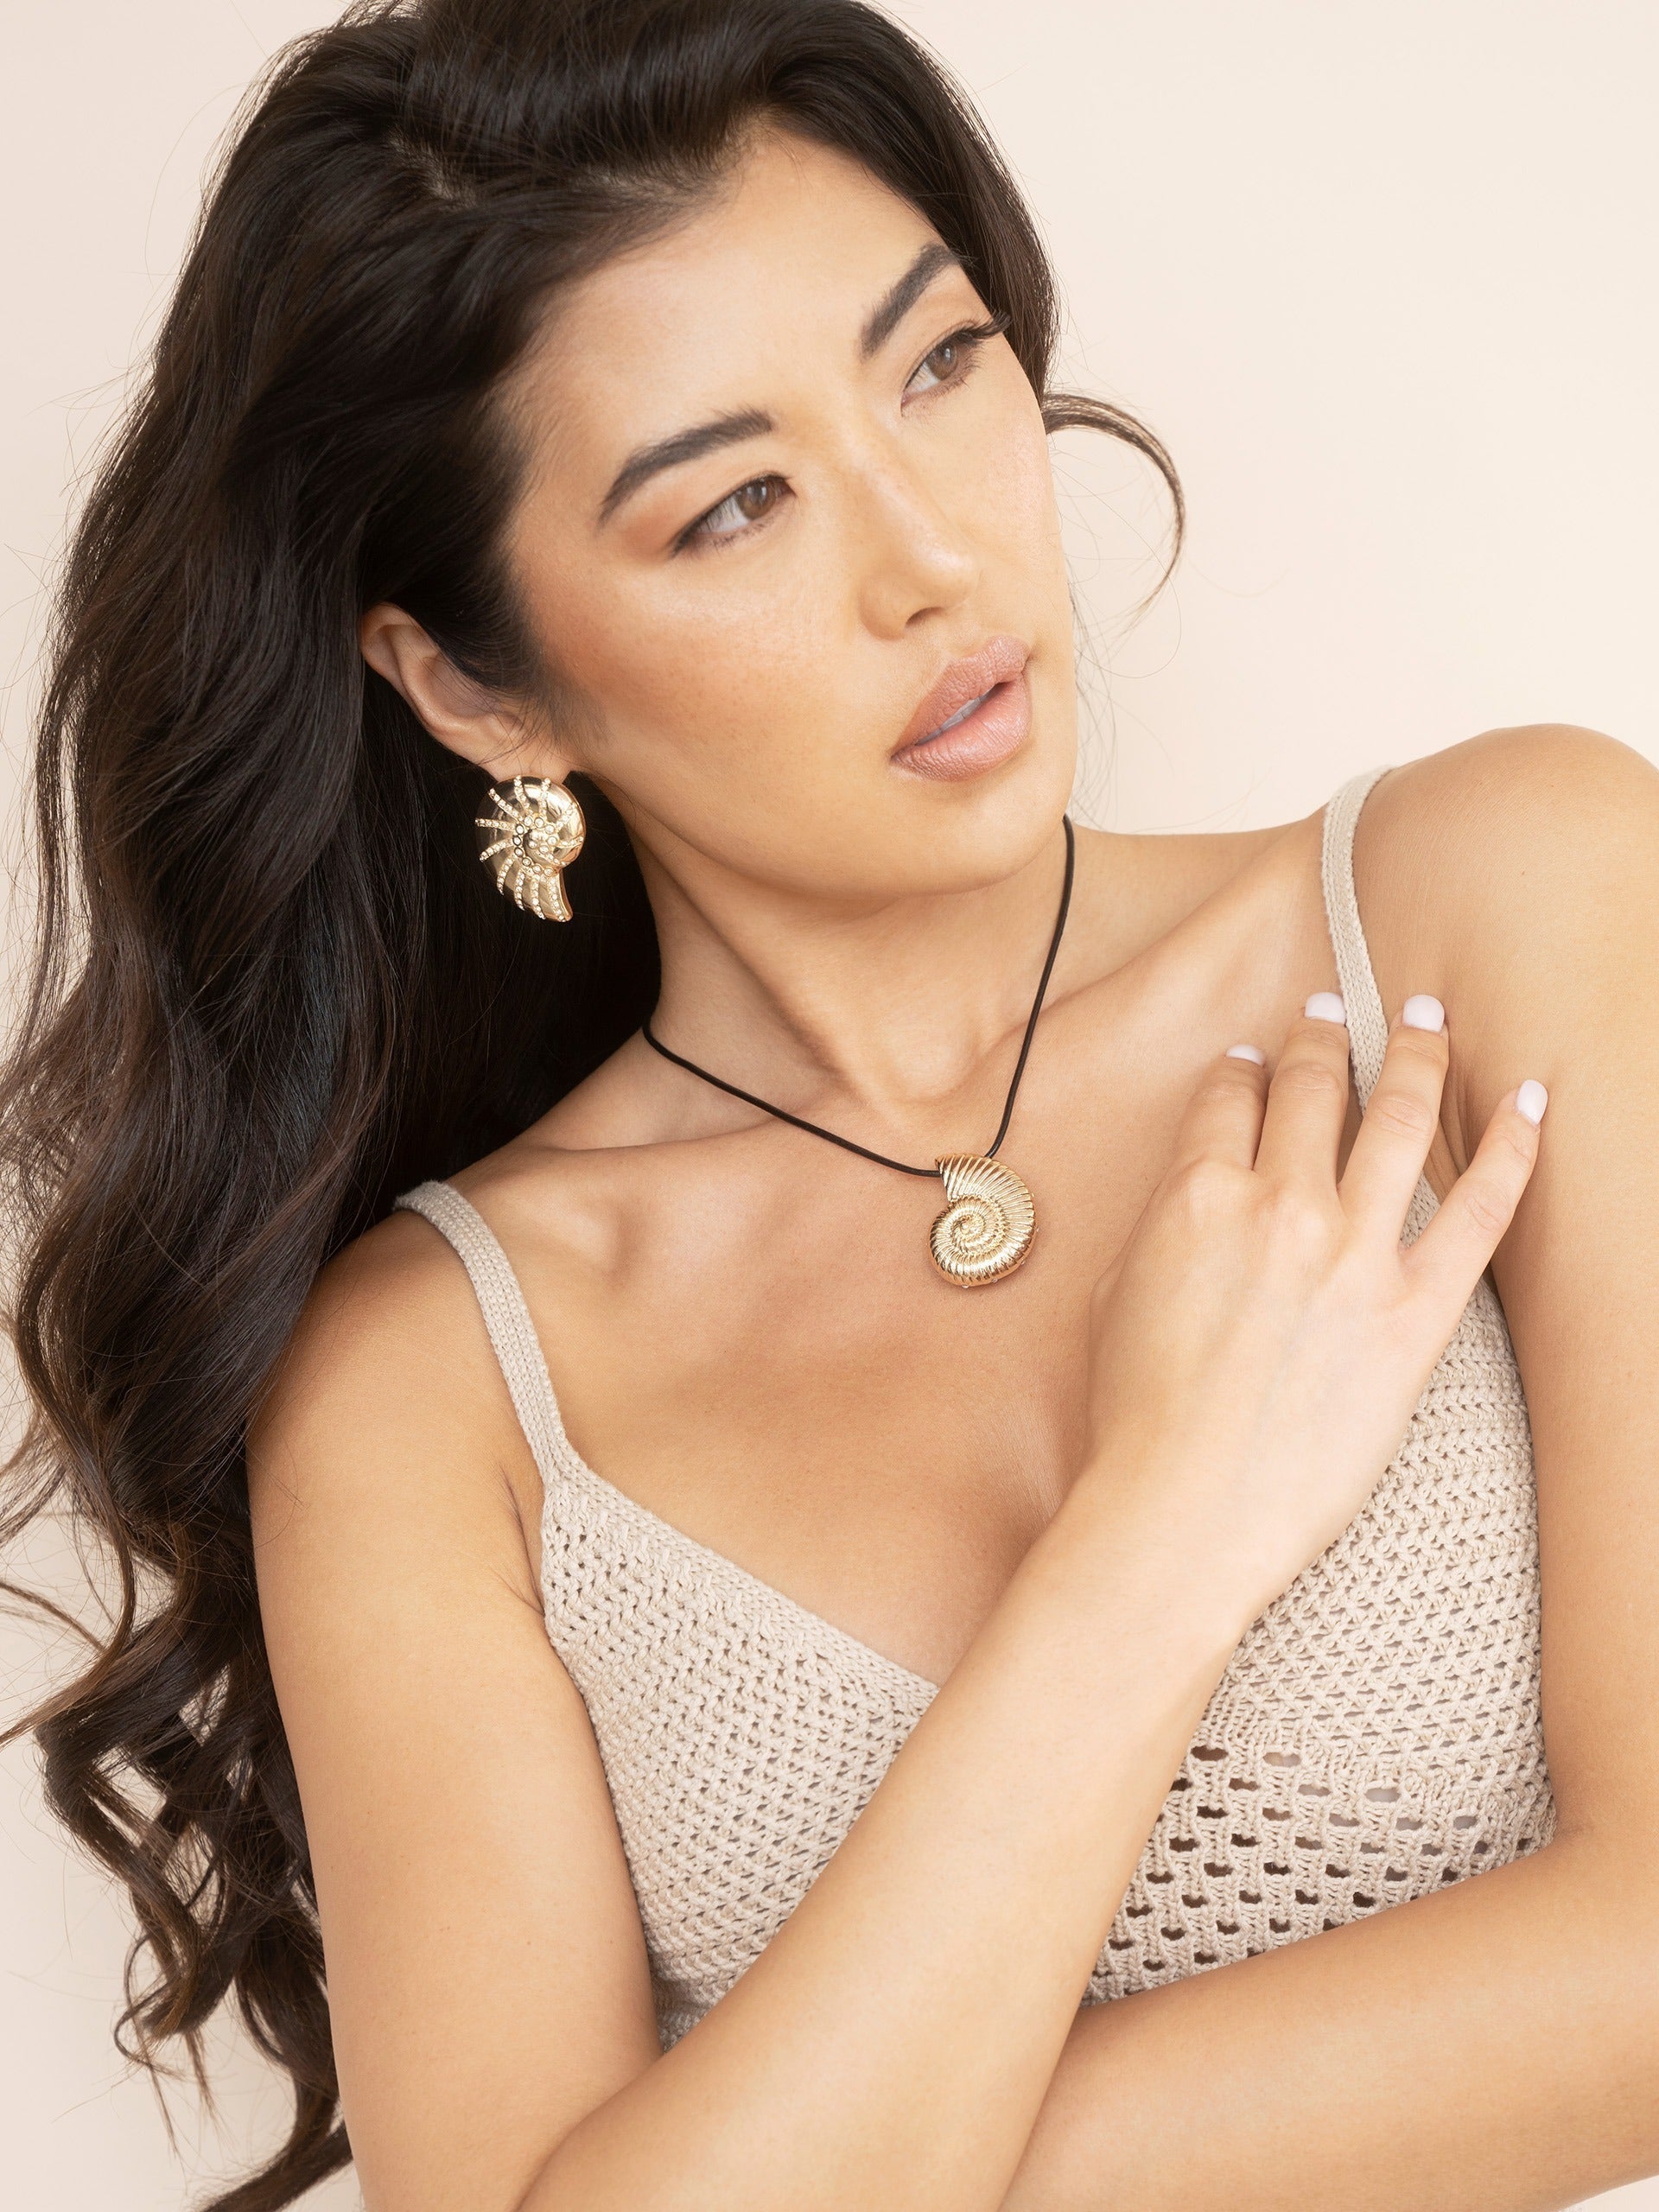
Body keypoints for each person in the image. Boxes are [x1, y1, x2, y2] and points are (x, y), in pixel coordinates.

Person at [3, 3, 1655, 2209]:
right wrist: (1157, 1542)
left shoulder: (1501, 898)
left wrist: (811, 2153)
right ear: (480, 687)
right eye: (737, 504)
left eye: (940, 364)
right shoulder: (438, 1387)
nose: (936, 560)